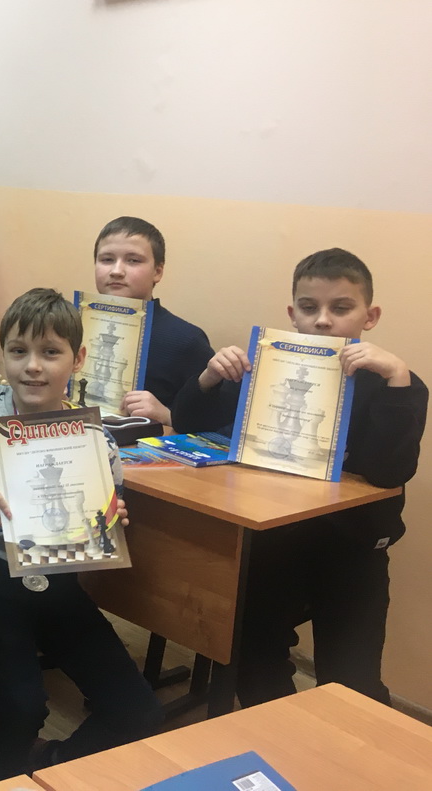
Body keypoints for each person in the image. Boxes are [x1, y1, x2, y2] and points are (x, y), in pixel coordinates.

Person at [0, 288, 161, 781]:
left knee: (139, 711)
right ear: (3, 353)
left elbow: (99, 530)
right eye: (18, 351)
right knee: (22, 701)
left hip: (55, 580)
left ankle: (48, 765)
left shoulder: (95, 440)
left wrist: (108, 524)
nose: (32, 366)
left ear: (77, 359)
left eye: (50, 352)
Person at [172, 248, 426, 706]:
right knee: (252, 654)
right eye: (309, 308)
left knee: (352, 683)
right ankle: (277, 731)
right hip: (277, 541)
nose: (323, 320)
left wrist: (397, 377)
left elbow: (391, 471)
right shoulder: (265, 369)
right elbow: (189, 425)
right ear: (292, 314)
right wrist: (210, 377)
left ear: (370, 317)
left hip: (353, 550)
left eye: (341, 308)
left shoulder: (396, 385)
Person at [92, 216, 211, 427]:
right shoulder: (70, 327)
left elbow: (218, 425)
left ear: (157, 271)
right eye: (107, 259)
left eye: (133, 260)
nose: (116, 271)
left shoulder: (186, 340)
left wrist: (168, 416)